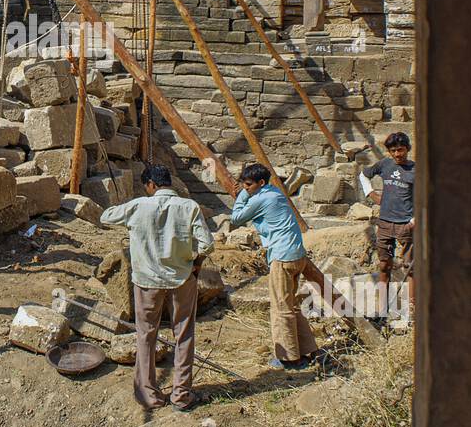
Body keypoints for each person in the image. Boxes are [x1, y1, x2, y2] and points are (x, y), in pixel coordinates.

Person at [101, 164, 212, 411]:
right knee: (184, 335)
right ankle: (181, 395)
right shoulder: (189, 207)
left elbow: (105, 216)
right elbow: (207, 244)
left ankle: (147, 393)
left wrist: (128, 205)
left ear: (150, 185)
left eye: (146, 187)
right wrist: (196, 264)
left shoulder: (138, 205)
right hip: (181, 279)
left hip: (147, 282)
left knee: (146, 334)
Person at [230, 163, 327, 371]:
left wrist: (241, 196)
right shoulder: (275, 192)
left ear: (261, 183)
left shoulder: (261, 198)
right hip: (296, 255)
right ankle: (307, 349)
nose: (246, 188)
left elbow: (236, 218)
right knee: (291, 305)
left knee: (281, 308)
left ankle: (289, 358)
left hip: (281, 257)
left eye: (248, 185)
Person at [362, 132, 415, 319]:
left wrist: (413, 221)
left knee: (410, 269)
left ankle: (411, 313)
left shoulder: (415, 170)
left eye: (400, 150)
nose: (397, 154)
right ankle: (382, 310)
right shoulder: (385, 164)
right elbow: (364, 175)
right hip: (384, 223)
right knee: (384, 265)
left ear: (407, 148)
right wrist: (371, 195)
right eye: (393, 151)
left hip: (405, 226)